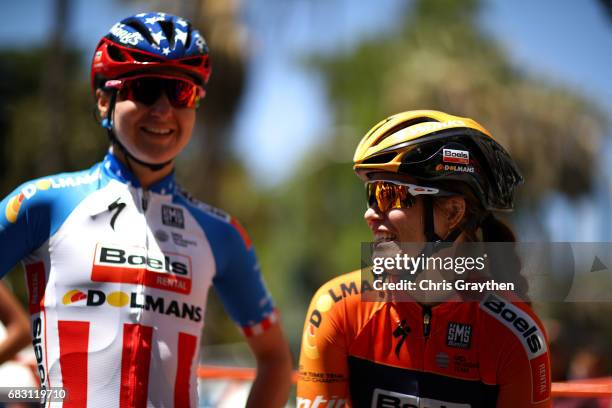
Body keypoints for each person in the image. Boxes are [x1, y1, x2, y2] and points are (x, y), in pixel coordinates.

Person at [0, 12, 292, 407]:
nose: (163, 110)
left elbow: (275, 360)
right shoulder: (43, 203)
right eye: (146, 89)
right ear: (104, 100)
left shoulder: (220, 234)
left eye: (181, 93)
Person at [297, 110, 552, 407]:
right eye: (371, 195)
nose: (369, 214)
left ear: (453, 213)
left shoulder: (515, 336)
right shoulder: (337, 309)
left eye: (389, 195)